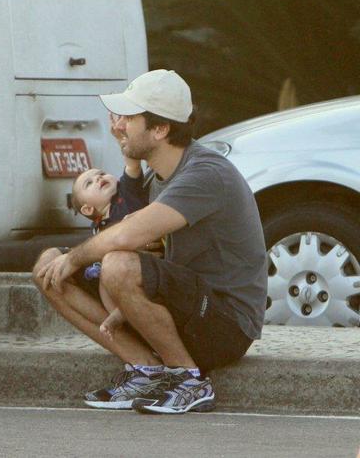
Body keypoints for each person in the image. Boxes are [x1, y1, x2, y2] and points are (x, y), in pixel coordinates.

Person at [33, 69, 267, 414]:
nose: (119, 124)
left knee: (116, 264)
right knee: (47, 267)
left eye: (129, 117)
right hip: (183, 310)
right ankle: (147, 370)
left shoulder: (204, 174)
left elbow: (130, 234)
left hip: (226, 324)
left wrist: (76, 258)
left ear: (160, 129)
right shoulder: (158, 177)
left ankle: (189, 379)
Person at [68, 148, 148, 339]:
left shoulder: (127, 192)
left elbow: (132, 165)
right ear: (88, 208)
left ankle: (122, 313)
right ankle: (118, 314)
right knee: (104, 280)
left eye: (101, 174)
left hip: (141, 259)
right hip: (114, 270)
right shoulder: (97, 229)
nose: (98, 178)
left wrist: (124, 139)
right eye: (89, 183)